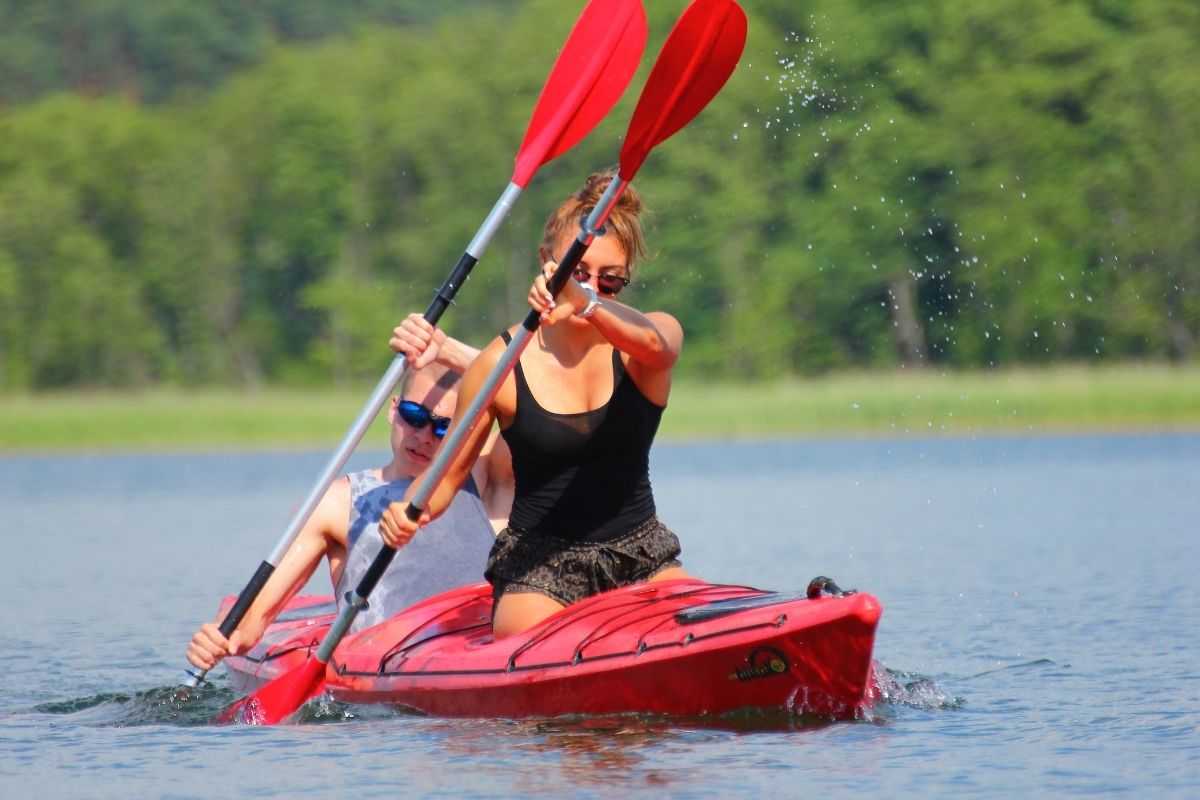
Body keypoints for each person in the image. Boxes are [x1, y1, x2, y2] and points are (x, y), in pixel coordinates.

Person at [379, 171, 688, 640]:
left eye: (610, 283)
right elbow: (446, 477)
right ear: (547, 262)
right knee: (556, 642)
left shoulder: (650, 340)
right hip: (539, 572)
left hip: (643, 554)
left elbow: (659, 346)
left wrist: (584, 303)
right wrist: (408, 510)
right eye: (577, 273)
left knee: (700, 617)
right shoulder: (497, 366)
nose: (591, 288)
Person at [186, 343, 513, 673]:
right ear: (393, 409)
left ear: (461, 429)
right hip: (391, 667)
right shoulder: (335, 502)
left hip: (484, 648)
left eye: (443, 427)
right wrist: (225, 638)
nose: (424, 436)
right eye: (413, 416)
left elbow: (538, 396)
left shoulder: (484, 475)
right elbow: (257, 614)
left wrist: (446, 350)